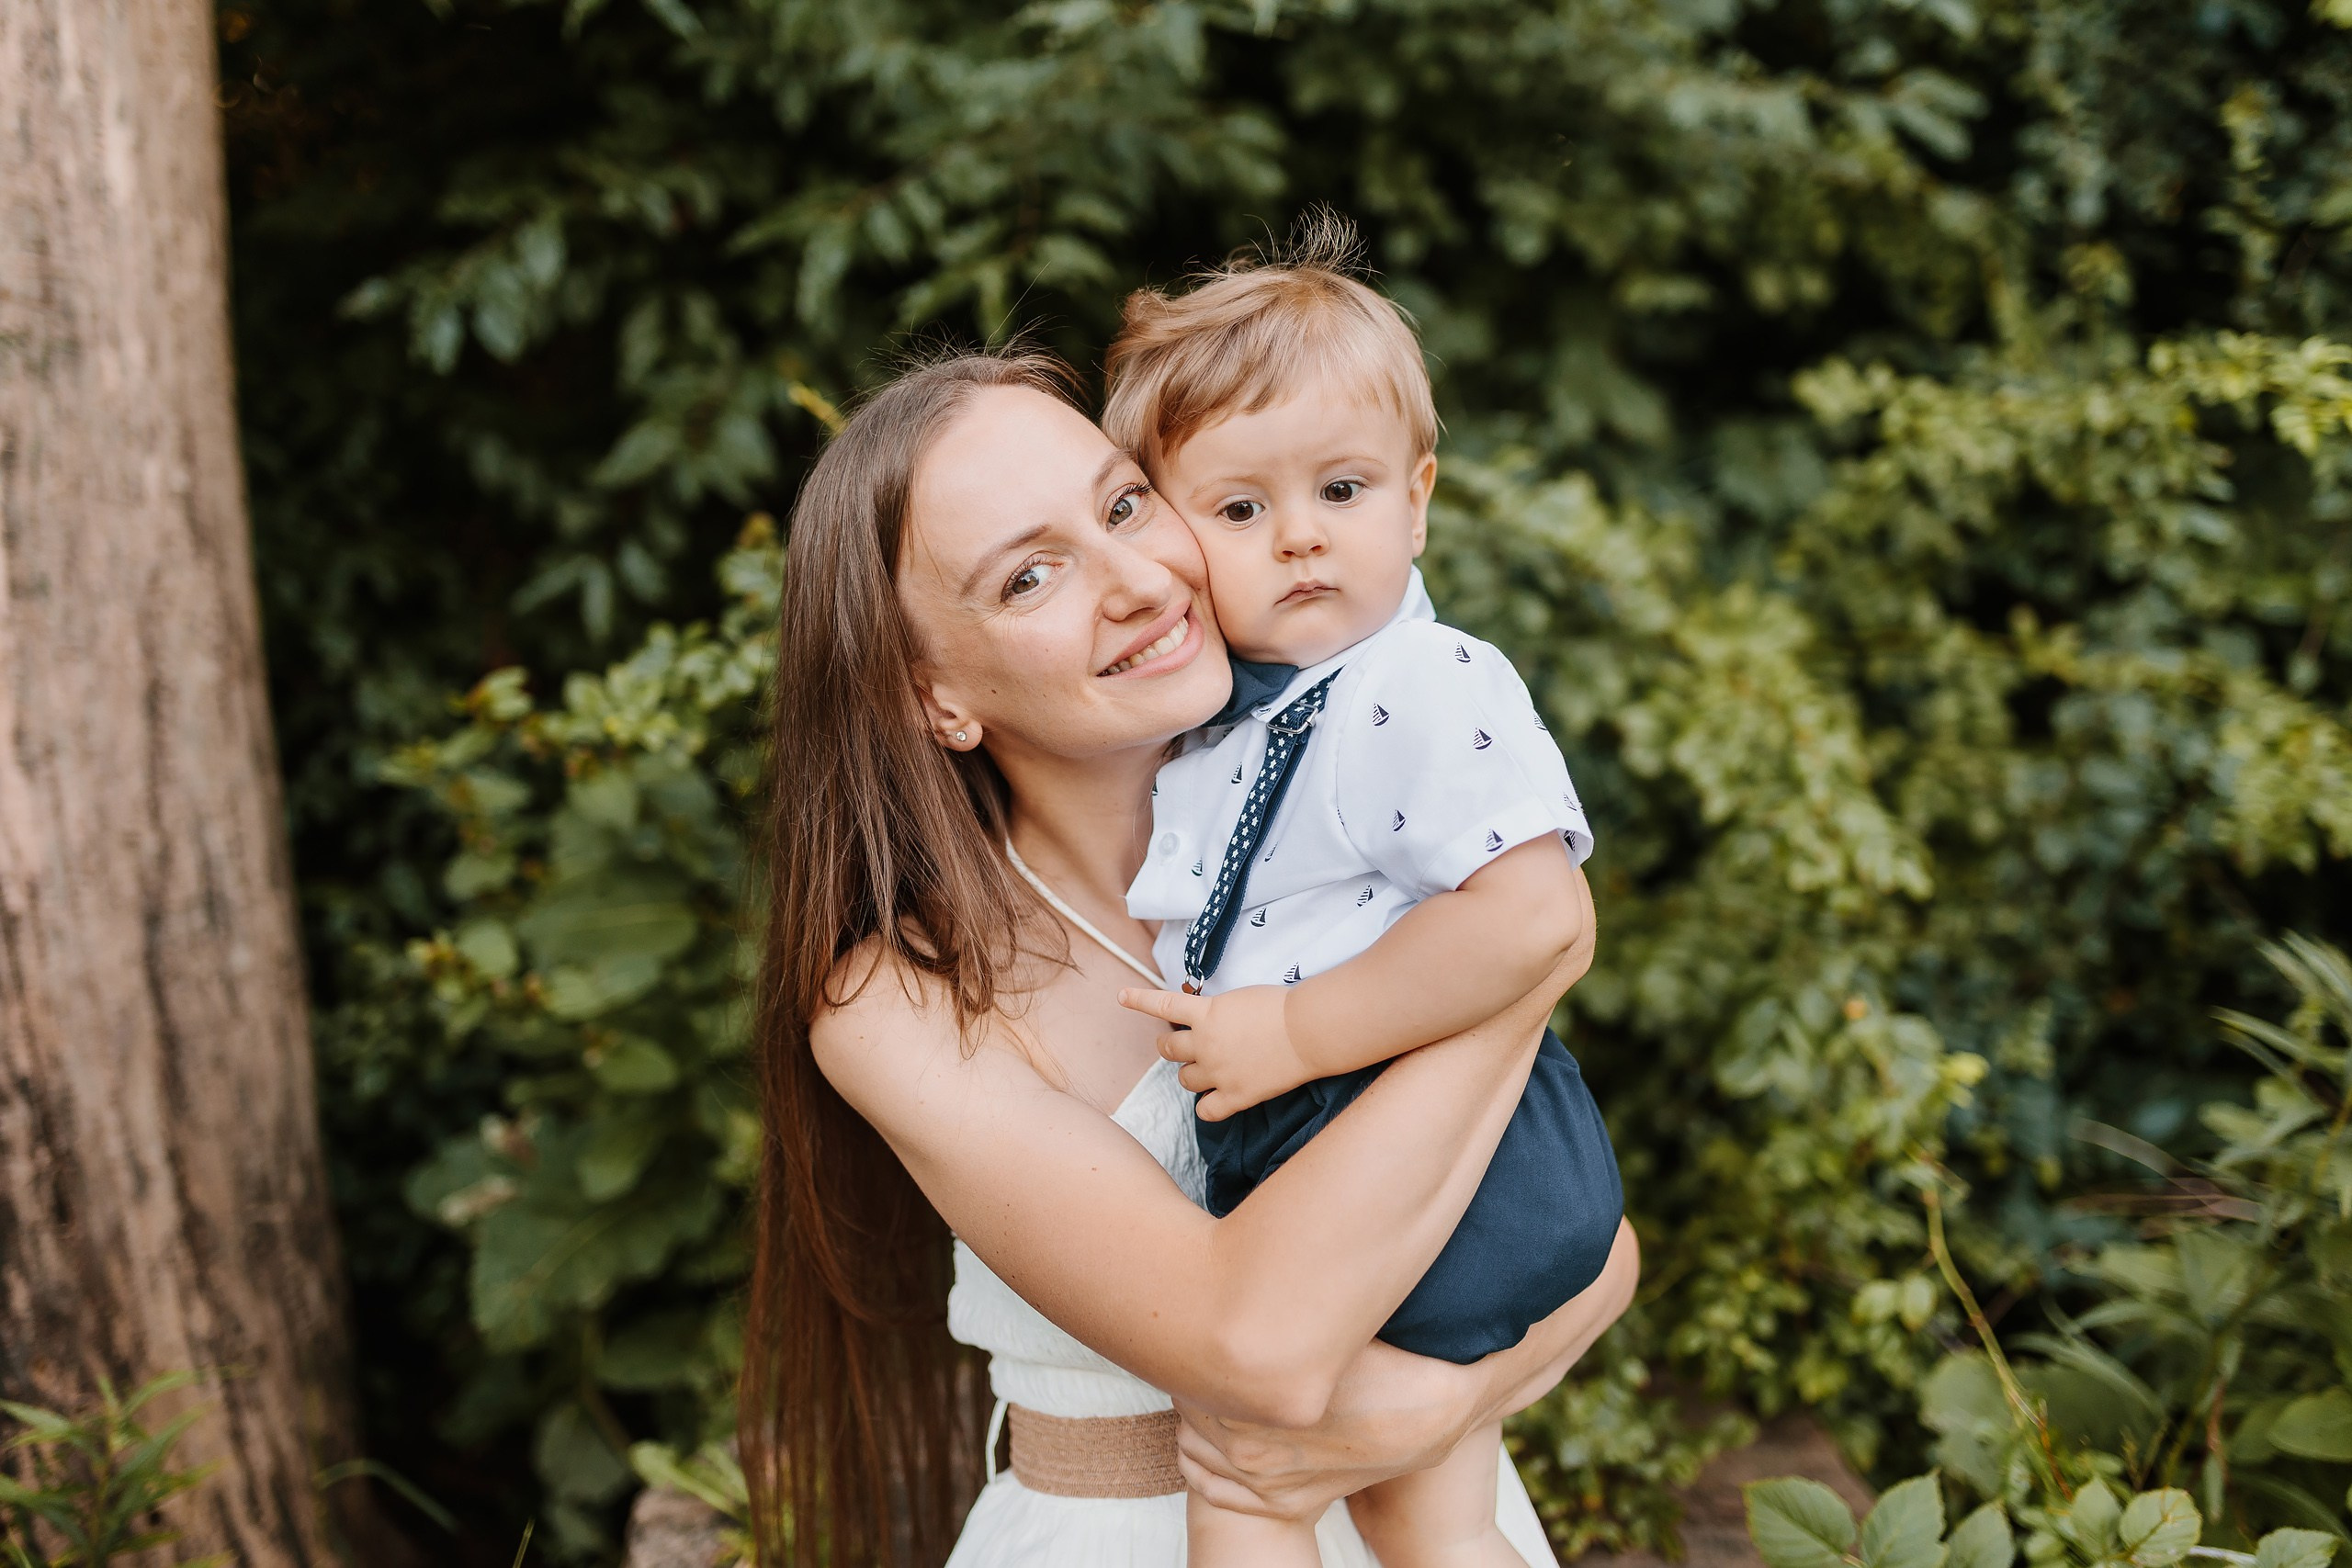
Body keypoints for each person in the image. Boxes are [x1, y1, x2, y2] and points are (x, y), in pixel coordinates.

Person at [740, 347, 1639, 1568]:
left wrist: (1440, 1405)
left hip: (1429, 1511)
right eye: (1031, 577)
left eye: (1122, 505)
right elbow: (1252, 1340)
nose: (1134, 580)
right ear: (932, 692)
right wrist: (1522, 959)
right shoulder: (900, 1001)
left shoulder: (1340, 794)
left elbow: (1589, 1240)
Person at [1105, 225, 1624, 1568]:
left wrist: (1291, 1034)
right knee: (1434, 1525)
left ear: (1420, 499)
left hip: (1412, 1137)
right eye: (1238, 511)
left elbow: (1528, 916)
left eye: (1342, 489)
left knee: (1247, 1481)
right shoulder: (1234, 722)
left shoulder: (1418, 679)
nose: (1299, 539)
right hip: (1370, 1129)